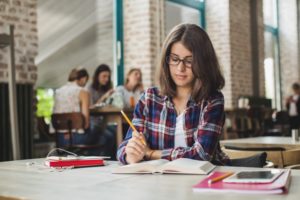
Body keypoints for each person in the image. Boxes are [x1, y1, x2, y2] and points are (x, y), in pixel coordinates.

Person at [117, 23, 230, 165]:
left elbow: (202, 154)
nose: (180, 68)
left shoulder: (212, 100)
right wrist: (131, 155)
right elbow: (123, 148)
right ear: (166, 59)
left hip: (204, 180)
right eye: (175, 59)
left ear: (203, 63)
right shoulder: (149, 98)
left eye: (190, 61)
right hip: (159, 182)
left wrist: (151, 153)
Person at [53, 68, 97, 148]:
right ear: (83, 79)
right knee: (107, 135)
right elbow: (86, 124)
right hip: (77, 138)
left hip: (59, 138)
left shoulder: (58, 91)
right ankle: (88, 157)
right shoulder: (83, 92)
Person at [88, 64, 116, 158]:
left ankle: (113, 159)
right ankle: (107, 159)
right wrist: (104, 97)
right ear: (97, 76)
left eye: (108, 76)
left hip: (103, 123)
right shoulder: (90, 89)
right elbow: (91, 107)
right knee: (110, 136)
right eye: (104, 76)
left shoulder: (105, 88)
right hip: (93, 123)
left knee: (116, 131)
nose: (106, 79)